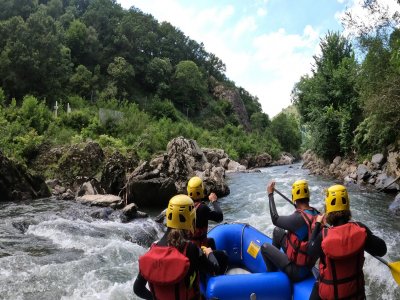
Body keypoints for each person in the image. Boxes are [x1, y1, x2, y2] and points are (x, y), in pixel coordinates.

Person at [308, 184, 387, 300]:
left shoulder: (323, 236)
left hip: (332, 296)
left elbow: (309, 254)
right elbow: (382, 250)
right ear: (347, 207)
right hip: (356, 295)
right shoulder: (360, 229)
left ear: (327, 210)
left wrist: (318, 224)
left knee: (318, 283)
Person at [133, 194, 220, 300]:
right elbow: (215, 269)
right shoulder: (191, 249)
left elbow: (137, 289)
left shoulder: (153, 248)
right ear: (191, 218)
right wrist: (209, 253)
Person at [261, 179, 321, 282]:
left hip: (296, 271)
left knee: (264, 247)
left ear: (294, 198)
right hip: (307, 264)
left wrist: (270, 194)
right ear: (308, 196)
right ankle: (274, 262)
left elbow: (275, 219)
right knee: (277, 231)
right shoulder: (316, 213)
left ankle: (271, 278)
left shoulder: (298, 219)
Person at [187, 176, 223, 249]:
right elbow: (219, 217)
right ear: (201, 190)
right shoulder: (202, 208)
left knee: (211, 241)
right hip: (199, 247)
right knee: (223, 254)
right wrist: (214, 201)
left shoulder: (184, 206)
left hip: (188, 246)